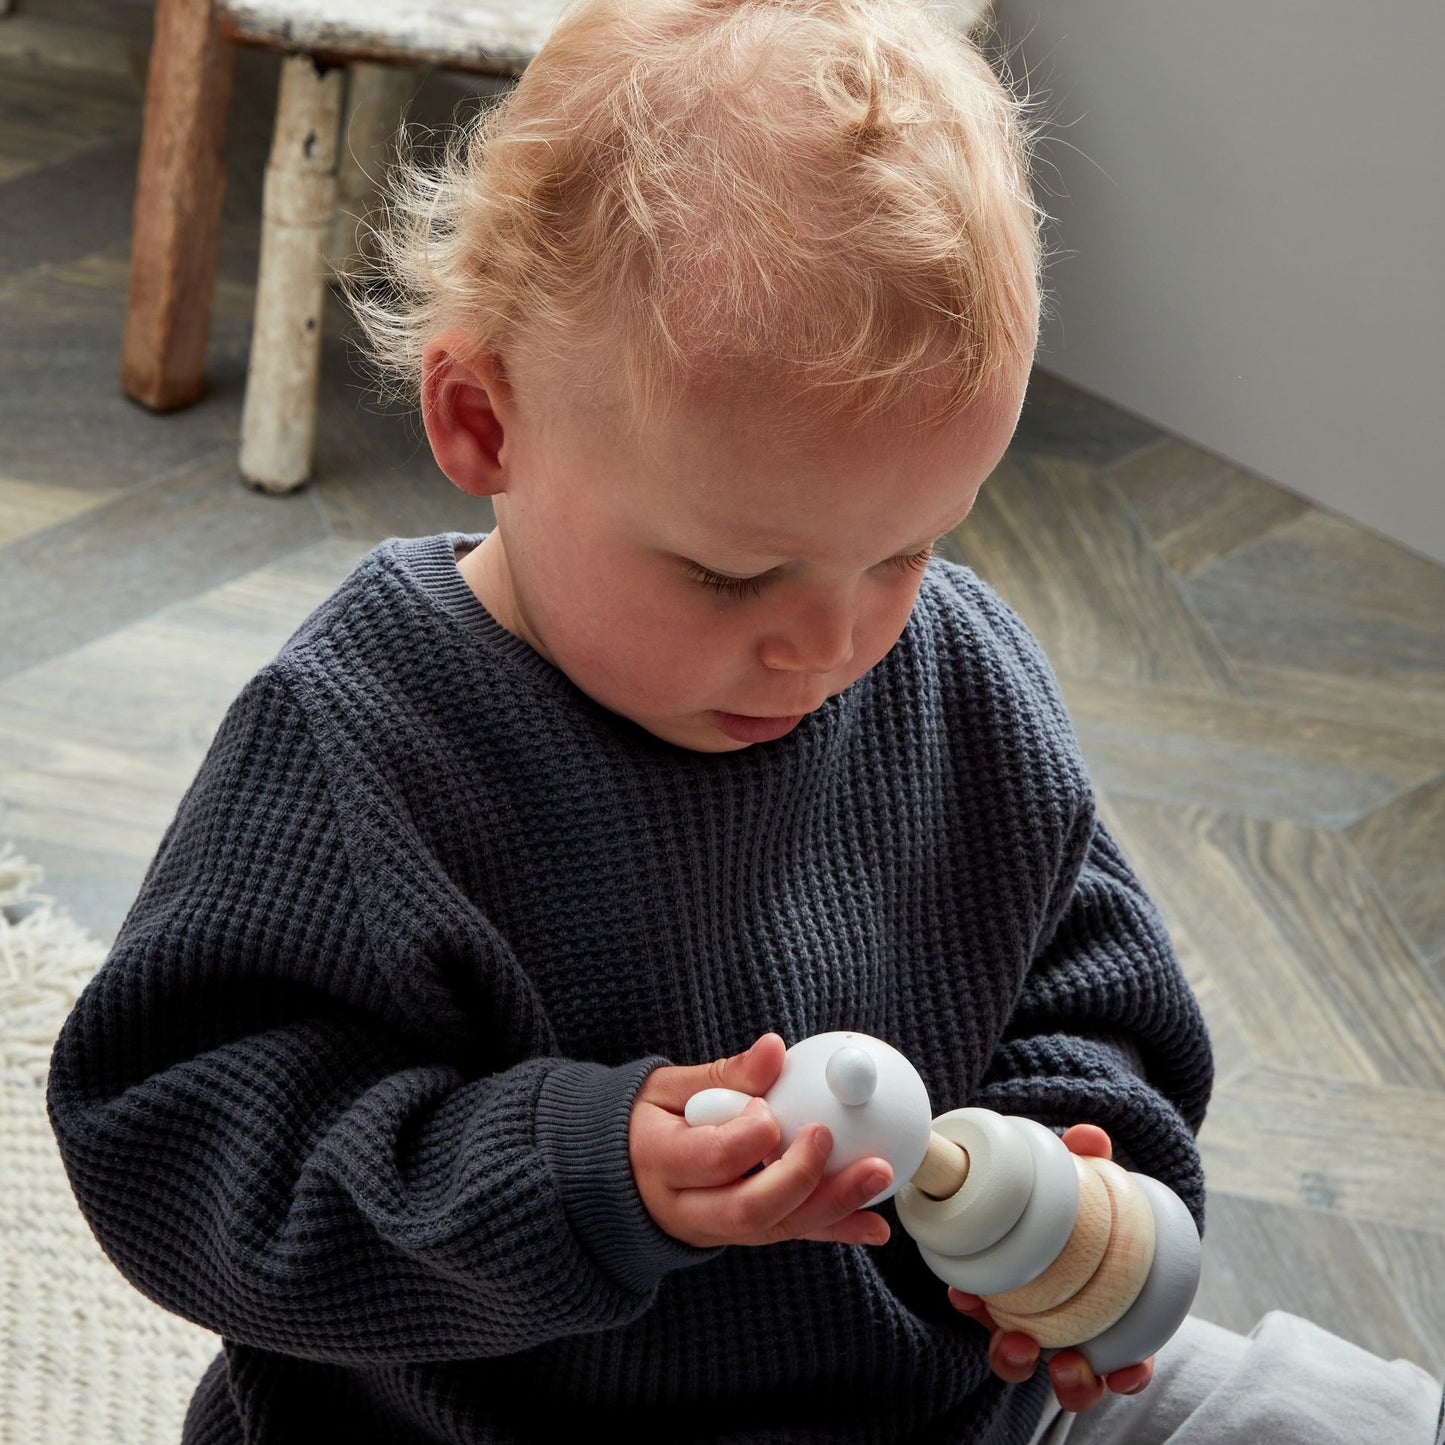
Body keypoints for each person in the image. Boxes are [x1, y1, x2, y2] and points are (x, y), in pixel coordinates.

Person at [47, 1, 1442, 1441]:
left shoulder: (953, 679)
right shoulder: (361, 738)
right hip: (485, 1428)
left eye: (906, 549)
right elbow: (179, 1146)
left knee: (1352, 1416)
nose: (827, 645)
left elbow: (1092, 990)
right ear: (481, 421)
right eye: (729, 571)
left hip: (939, 1401)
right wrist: (583, 1172)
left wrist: (1066, 1191)